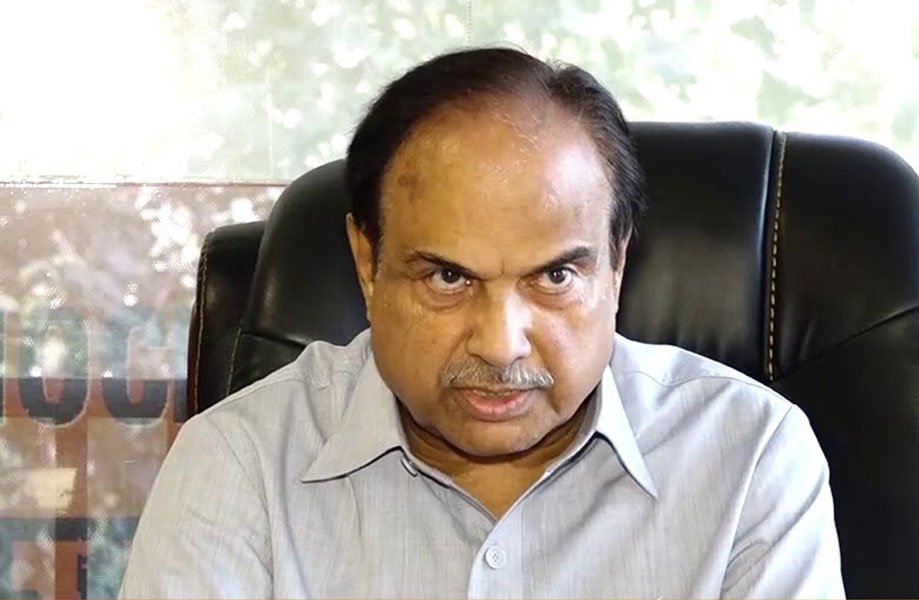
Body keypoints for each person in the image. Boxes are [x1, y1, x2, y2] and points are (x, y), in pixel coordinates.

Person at [119, 47, 844, 599]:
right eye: (448, 277)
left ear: (616, 264)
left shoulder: (749, 457)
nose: (500, 346)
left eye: (555, 277)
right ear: (368, 262)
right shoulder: (239, 465)